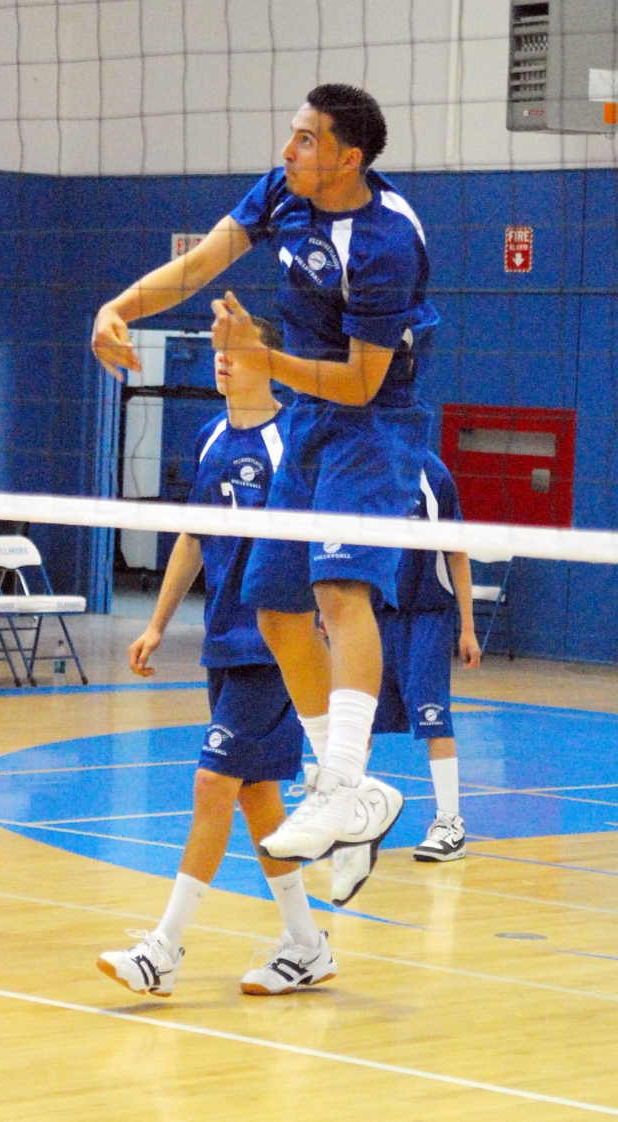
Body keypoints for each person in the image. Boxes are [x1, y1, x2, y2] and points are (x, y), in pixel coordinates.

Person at [92, 84, 438, 870]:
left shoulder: (388, 242)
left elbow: (360, 384)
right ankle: (345, 797)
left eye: (307, 141)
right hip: (311, 418)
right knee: (275, 606)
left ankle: (345, 780)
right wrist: (118, 306)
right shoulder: (284, 191)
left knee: (339, 592)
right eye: (291, 135)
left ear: (349, 157)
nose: (288, 152)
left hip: (376, 424)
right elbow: (201, 263)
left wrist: (260, 359)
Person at [97, 320, 337, 997]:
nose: (222, 361)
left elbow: (327, 535)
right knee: (258, 795)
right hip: (224, 639)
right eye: (216, 351)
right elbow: (193, 537)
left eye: (235, 350)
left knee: (212, 785)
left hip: (274, 642)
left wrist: (322, 615)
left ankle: (163, 949)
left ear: (266, 359)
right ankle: (307, 945)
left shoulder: (291, 440)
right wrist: (156, 623)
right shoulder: (207, 438)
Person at [330, 453, 481, 907]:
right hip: (373, 613)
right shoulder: (360, 470)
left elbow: (457, 552)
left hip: (427, 615)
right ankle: (353, 820)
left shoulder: (433, 476)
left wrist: (468, 628)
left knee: (433, 717)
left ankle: (450, 822)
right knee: (361, 719)